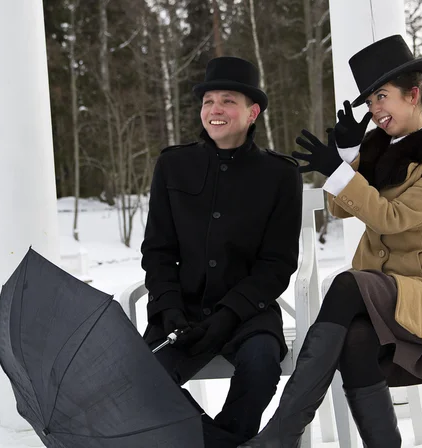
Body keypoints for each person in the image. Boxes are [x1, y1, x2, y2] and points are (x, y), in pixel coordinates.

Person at [241, 34, 422, 448]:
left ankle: (284, 431)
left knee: (348, 282)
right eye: (370, 102)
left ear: (414, 94)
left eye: (382, 97)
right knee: (355, 339)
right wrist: (351, 154)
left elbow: (392, 219)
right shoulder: (380, 151)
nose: (375, 110)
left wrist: (341, 169)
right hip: (380, 298)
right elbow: (339, 208)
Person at [140, 56, 303, 446]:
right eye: (208, 101)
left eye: (228, 100)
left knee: (262, 366)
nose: (215, 110)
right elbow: (158, 251)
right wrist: (170, 308)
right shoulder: (173, 165)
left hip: (249, 315)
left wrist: (231, 313)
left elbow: (278, 263)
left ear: (253, 112)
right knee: (144, 381)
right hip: (180, 313)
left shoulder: (280, 175)